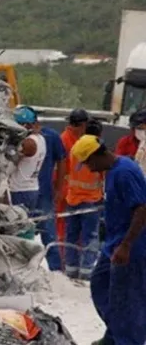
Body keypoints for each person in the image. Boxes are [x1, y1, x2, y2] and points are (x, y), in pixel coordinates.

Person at [71, 135, 146, 345]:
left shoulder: (125, 172)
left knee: (127, 299)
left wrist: (126, 245)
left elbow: (142, 208)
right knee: (100, 285)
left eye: (87, 163)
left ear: (97, 155)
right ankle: (114, 334)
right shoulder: (112, 171)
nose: (88, 168)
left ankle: (128, 340)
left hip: (131, 246)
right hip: (113, 242)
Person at [16, 106, 67, 270]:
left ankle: (56, 268)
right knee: (25, 231)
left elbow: (62, 160)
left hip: (39, 191)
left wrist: (59, 188)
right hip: (34, 189)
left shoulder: (47, 137)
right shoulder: (37, 138)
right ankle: (27, 267)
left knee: (47, 232)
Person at [64, 121, 105, 280]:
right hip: (91, 200)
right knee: (90, 236)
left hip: (72, 198)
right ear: (99, 134)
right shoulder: (97, 149)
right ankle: (86, 271)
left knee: (71, 235)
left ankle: (70, 269)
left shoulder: (75, 147)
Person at [9, 106, 47, 239]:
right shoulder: (40, 139)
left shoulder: (29, 143)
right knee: (25, 226)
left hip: (20, 190)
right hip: (30, 188)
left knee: (17, 229)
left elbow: (11, 157)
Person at [59, 108, 90, 259]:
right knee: (65, 229)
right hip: (67, 193)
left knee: (72, 231)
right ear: (83, 125)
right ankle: (65, 261)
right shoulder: (66, 140)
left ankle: (70, 261)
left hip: (74, 193)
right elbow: (61, 169)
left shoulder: (74, 139)